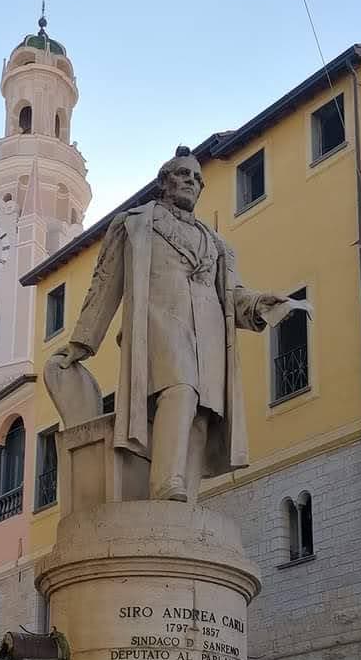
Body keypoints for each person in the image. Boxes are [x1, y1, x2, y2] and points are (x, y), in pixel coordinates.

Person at [57, 147, 303, 502]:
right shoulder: (135, 223)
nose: (193, 182)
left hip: (210, 333)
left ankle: (184, 499)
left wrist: (261, 303)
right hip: (160, 323)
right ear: (164, 181)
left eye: (198, 179)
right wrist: (83, 342)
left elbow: (231, 293)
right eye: (184, 174)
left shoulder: (217, 243)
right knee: (181, 389)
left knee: (204, 412)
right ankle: (165, 483)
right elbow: (106, 280)